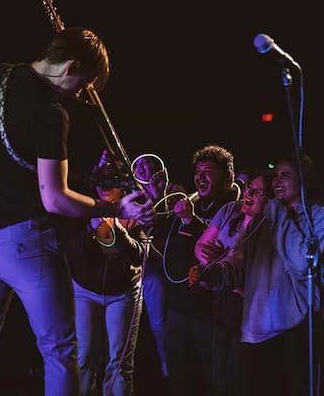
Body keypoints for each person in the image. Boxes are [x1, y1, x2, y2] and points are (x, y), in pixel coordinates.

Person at [0, 27, 155, 396]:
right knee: (59, 351)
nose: (78, 95)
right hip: (25, 245)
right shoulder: (51, 113)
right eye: (81, 85)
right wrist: (114, 207)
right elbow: (55, 199)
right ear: (71, 65)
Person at [191, 154, 324, 395]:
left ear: (304, 180)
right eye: (276, 176)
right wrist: (214, 274)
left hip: (298, 327)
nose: (278, 181)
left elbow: (302, 263)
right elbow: (238, 262)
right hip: (259, 327)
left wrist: (280, 214)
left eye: (286, 175)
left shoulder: (320, 217)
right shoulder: (264, 219)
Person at [62, 152, 147, 396]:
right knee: (84, 358)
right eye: (102, 180)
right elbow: (71, 252)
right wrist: (92, 225)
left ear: (122, 186)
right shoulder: (83, 208)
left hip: (123, 292)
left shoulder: (134, 211)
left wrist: (118, 228)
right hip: (85, 291)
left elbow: (139, 256)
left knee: (119, 362)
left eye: (112, 181)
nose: (105, 187)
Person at [163, 144, 241, 396]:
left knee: (214, 376)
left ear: (228, 175)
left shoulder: (234, 209)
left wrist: (190, 221)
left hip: (210, 311)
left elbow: (211, 250)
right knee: (179, 375)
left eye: (208, 171)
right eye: (198, 171)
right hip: (179, 305)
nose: (200, 176)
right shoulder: (192, 203)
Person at [193, 171, 274, 396]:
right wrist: (220, 263)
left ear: (269, 199)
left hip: (248, 309)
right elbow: (200, 246)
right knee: (217, 371)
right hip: (221, 301)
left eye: (257, 191)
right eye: (248, 188)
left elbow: (253, 276)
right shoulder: (230, 211)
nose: (248, 193)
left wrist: (221, 260)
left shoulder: (268, 228)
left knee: (239, 373)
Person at [131, 153, 186, 381]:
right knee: (152, 321)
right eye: (139, 166)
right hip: (148, 267)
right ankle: (163, 365)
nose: (144, 168)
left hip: (171, 266)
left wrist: (160, 194)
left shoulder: (175, 191)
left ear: (158, 169)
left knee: (168, 318)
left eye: (148, 164)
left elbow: (176, 224)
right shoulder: (133, 199)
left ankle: (174, 365)